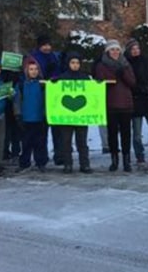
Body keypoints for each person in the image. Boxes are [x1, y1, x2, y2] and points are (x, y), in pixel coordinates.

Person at [94, 40, 136, 172]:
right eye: (112, 50)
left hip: (126, 104)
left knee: (126, 134)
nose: (115, 52)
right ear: (107, 51)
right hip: (110, 104)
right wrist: (113, 76)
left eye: (117, 49)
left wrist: (123, 73)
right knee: (112, 134)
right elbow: (101, 81)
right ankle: (114, 159)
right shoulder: (101, 65)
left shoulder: (126, 64)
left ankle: (126, 160)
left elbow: (132, 82)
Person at [56, 52, 92, 174]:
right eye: (72, 62)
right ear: (68, 64)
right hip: (66, 116)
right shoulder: (62, 78)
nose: (75, 65)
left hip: (81, 115)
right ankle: (68, 164)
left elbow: (91, 94)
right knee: (66, 141)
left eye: (77, 63)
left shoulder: (85, 78)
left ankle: (85, 164)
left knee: (82, 141)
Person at [30, 33, 62, 165]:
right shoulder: (34, 58)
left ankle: (59, 155)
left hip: (55, 97)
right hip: (40, 96)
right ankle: (41, 158)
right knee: (41, 131)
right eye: (44, 45)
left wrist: (55, 78)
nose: (47, 47)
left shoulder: (55, 57)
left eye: (48, 45)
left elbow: (60, 72)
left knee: (57, 130)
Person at [13, 57, 48, 172]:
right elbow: (17, 101)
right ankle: (24, 163)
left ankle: (41, 162)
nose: (33, 71)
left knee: (40, 143)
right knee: (26, 143)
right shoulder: (21, 85)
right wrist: (18, 115)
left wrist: (46, 115)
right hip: (26, 119)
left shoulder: (43, 84)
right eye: (31, 69)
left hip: (39, 118)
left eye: (36, 69)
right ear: (26, 71)